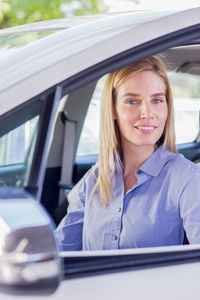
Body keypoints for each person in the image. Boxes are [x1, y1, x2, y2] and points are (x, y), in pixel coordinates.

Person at [54, 56, 200, 251]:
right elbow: (59, 251)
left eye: (157, 100)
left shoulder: (187, 180)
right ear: (113, 109)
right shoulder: (94, 180)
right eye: (132, 101)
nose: (147, 112)